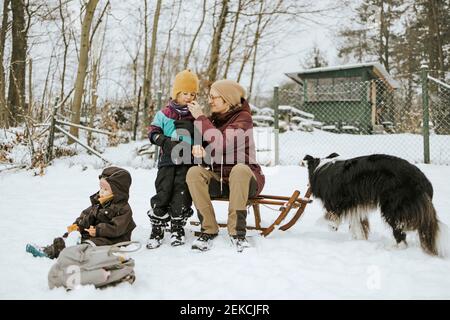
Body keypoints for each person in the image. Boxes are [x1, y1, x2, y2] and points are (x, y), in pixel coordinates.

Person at [186, 79, 265, 252]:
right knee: (194, 172)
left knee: (239, 169)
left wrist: (200, 118)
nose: (209, 101)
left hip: (246, 180)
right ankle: (208, 228)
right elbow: (213, 155)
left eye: (214, 97)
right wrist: (202, 154)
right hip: (222, 181)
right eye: (209, 97)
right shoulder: (213, 121)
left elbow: (222, 143)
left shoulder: (244, 119)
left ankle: (237, 232)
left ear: (227, 99)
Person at [26, 166, 136, 259]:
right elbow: (87, 215)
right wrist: (78, 225)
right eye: (101, 188)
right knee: (74, 235)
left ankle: (68, 251)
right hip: (94, 234)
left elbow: (117, 228)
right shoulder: (99, 203)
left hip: (113, 239)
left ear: (118, 192)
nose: (101, 192)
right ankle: (52, 249)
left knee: (88, 243)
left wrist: (98, 230)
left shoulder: (124, 209)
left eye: (106, 189)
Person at [146, 69, 199, 249]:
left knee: (181, 194)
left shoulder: (195, 115)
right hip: (168, 161)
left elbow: (201, 135)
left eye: (192, 94)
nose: (189, 97)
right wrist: (162, 140)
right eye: (185, 93)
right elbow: (152, 132)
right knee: (163, 191)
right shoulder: (164, 114)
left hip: (186, 161)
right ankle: (157, 228)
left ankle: (177, 228)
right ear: (177, 92)